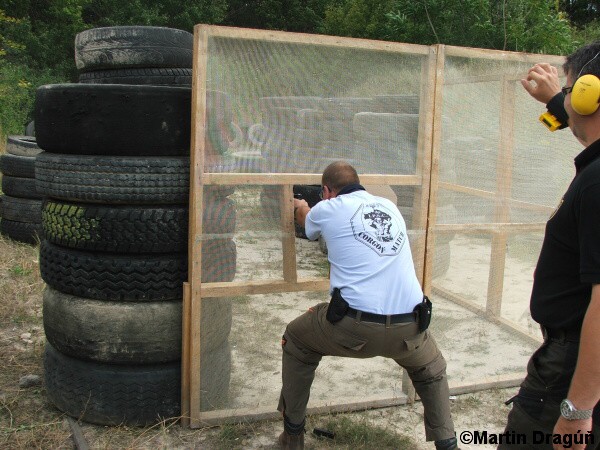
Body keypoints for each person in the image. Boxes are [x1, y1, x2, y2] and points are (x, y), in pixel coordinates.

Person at [277, 161, 459, 450]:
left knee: (297, 340)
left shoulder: (327, 208)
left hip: (354, 328)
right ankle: (447, 444)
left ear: (327, 191)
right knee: (432, 371)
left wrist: (299, 203)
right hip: (409, 326)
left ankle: (292, 436)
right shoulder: (389, 206)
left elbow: (305, 221)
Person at [499, 42, 600, 449]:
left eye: (573, 89)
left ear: (589, 94)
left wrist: (576, 411)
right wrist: (555, 100)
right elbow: (582, 131)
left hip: (572, 363)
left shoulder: (597, 182)